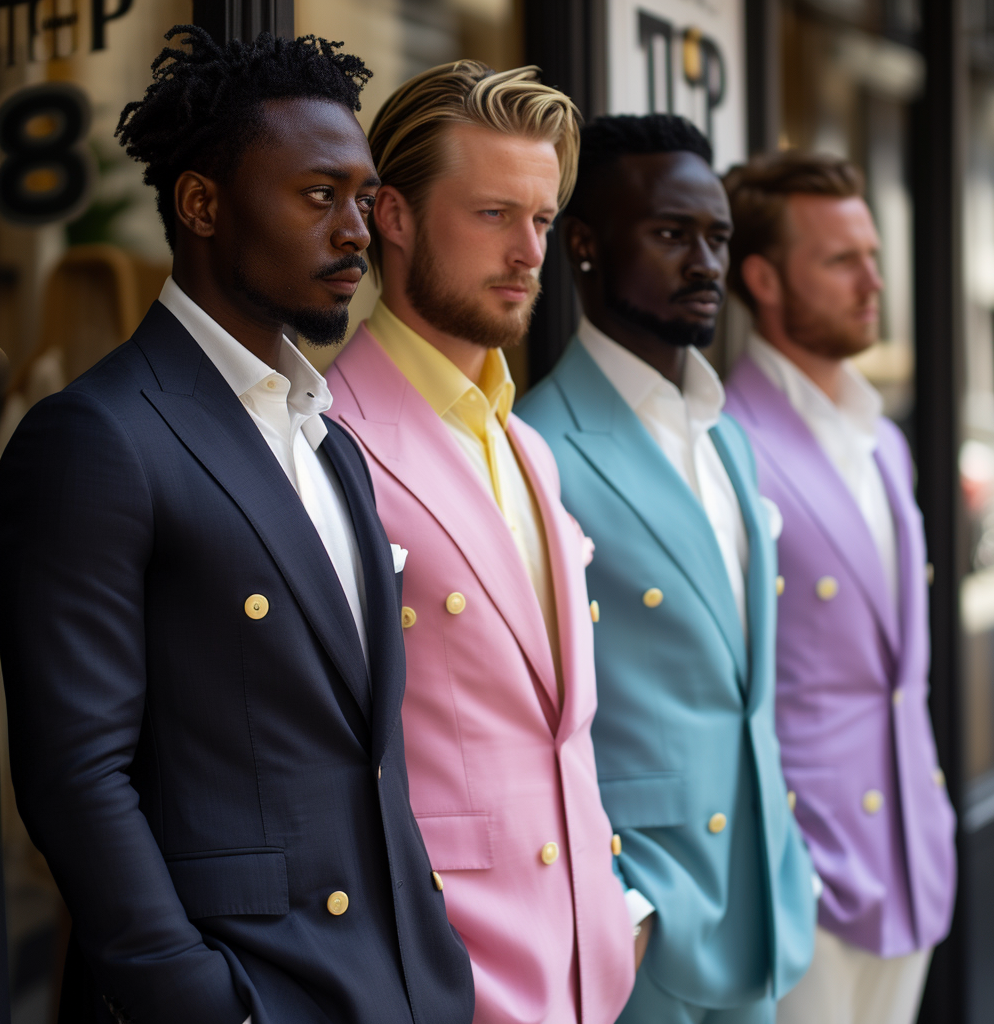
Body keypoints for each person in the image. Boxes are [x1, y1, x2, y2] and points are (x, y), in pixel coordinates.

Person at [0, 27, 474, 1024]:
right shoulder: (96, 436)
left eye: (362, 196)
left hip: (400, 988)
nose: (358, 230)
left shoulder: (329, 441)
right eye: (317, 195)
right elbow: (74, 777)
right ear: (202, 205)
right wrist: (202, 1000)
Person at [325, 61, 636, 1024]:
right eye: (494, 215)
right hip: (443, 980)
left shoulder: (529, 447)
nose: (529, 251)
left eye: (541, 221)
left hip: (588, 971)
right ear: (395, 218)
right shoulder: (330, 441)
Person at [516, 114, 817, 1024]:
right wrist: (627, 905)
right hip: (643, 936)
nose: (706, 263)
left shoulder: (727, 438)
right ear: (584, 245)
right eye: (670, 234)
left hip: (759, 913)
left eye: (718, 237)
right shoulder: (541, 447)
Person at [722, 151, 956, 1024]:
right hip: (804, 876)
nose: (874, 280)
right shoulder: (729, 443)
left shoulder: (883, 439)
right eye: (841, 259)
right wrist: (794, 861)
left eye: (874, 255)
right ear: (764, 279)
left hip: (912, 853)